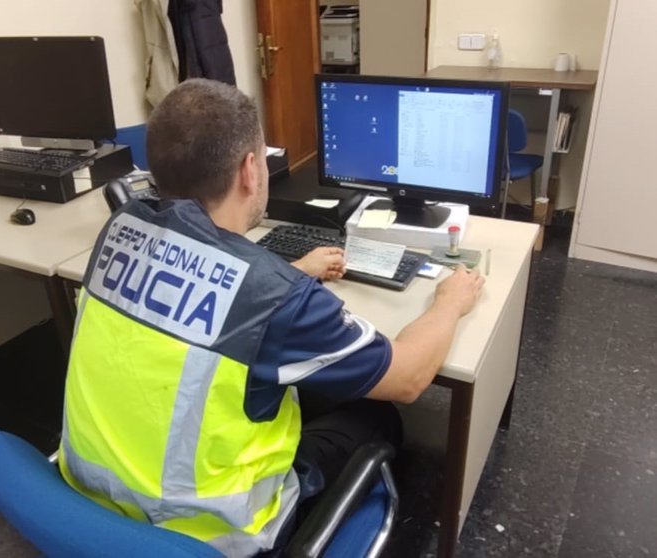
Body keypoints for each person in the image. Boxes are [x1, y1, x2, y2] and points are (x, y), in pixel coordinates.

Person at [59, 78, 484, 557]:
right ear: (249, 170)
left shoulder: (119, 228)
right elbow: (408, 379)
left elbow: (196, 286)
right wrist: (451, 301)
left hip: (84, 494)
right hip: (208, 531)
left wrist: (290, 271)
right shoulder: (277, 297)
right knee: (378, 415)